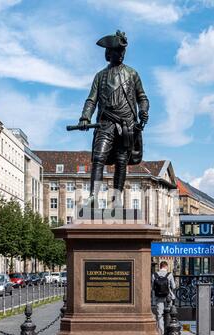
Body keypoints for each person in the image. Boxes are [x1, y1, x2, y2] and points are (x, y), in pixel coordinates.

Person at [78, 30, 149, 208]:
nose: (121, 55)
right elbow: (91, 99)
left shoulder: (132, 74)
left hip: (127, 125)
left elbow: (142, 97)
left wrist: (143, 111)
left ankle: (117, 200)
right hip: (106, 123)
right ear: (109, 54)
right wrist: (85, 116)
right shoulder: (100, 76)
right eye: (117, 52)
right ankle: (93, 198)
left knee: (121, 161)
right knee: (99, 157)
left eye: (122, 52)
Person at [151, 261, 176, 335]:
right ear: (166, 266)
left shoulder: (154, 275)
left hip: (158, 297)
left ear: (160, 266)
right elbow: (173, 286)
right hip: (168, 297)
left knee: (159, 315)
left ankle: (162, 333)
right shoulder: (169, 274)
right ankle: (170, 332)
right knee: (169, 314)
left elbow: (153, 287)